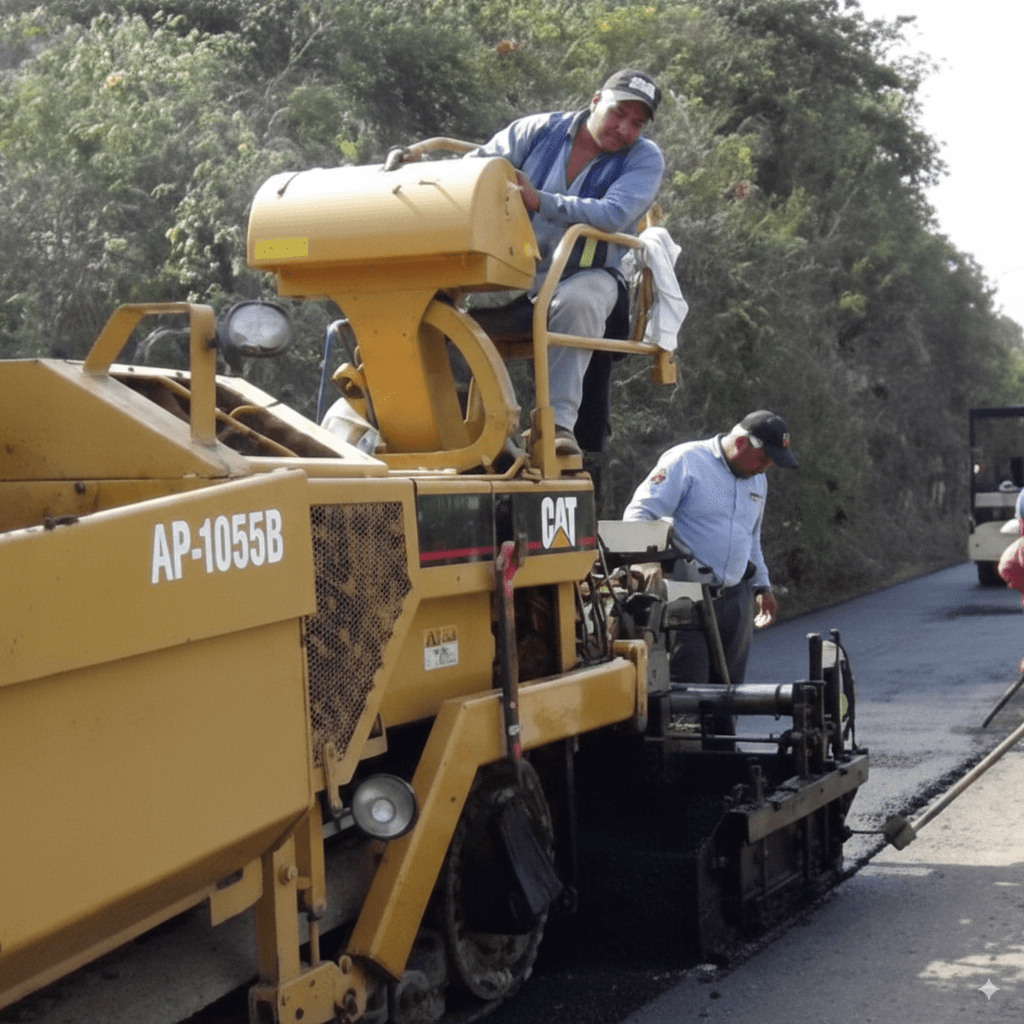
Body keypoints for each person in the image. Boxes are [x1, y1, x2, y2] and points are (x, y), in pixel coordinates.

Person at [467, 69, 666, 458]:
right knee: (435, 314)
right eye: (617, 113)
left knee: (581, 303)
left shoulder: (644, 158)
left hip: (584, 276)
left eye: (636, 122)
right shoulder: (537, 130)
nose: (624, 128)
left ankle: (556, 428)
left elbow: (613, 213)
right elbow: (473, 172)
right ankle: (460, 429)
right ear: (595, 101)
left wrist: (540, 200)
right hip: (509, 277)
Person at [623, 411, 798, 698]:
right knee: (691, 690)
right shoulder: (687, 461)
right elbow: (639, 512)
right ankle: (694, 744)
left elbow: (752, 538)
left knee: (732, 690)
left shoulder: (758, 481)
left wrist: (762, 586)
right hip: (686, 595)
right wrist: (647, 559)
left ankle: (726, 744)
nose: (766, 468)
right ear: (742, 443)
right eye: (764, 459)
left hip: (736, 598)